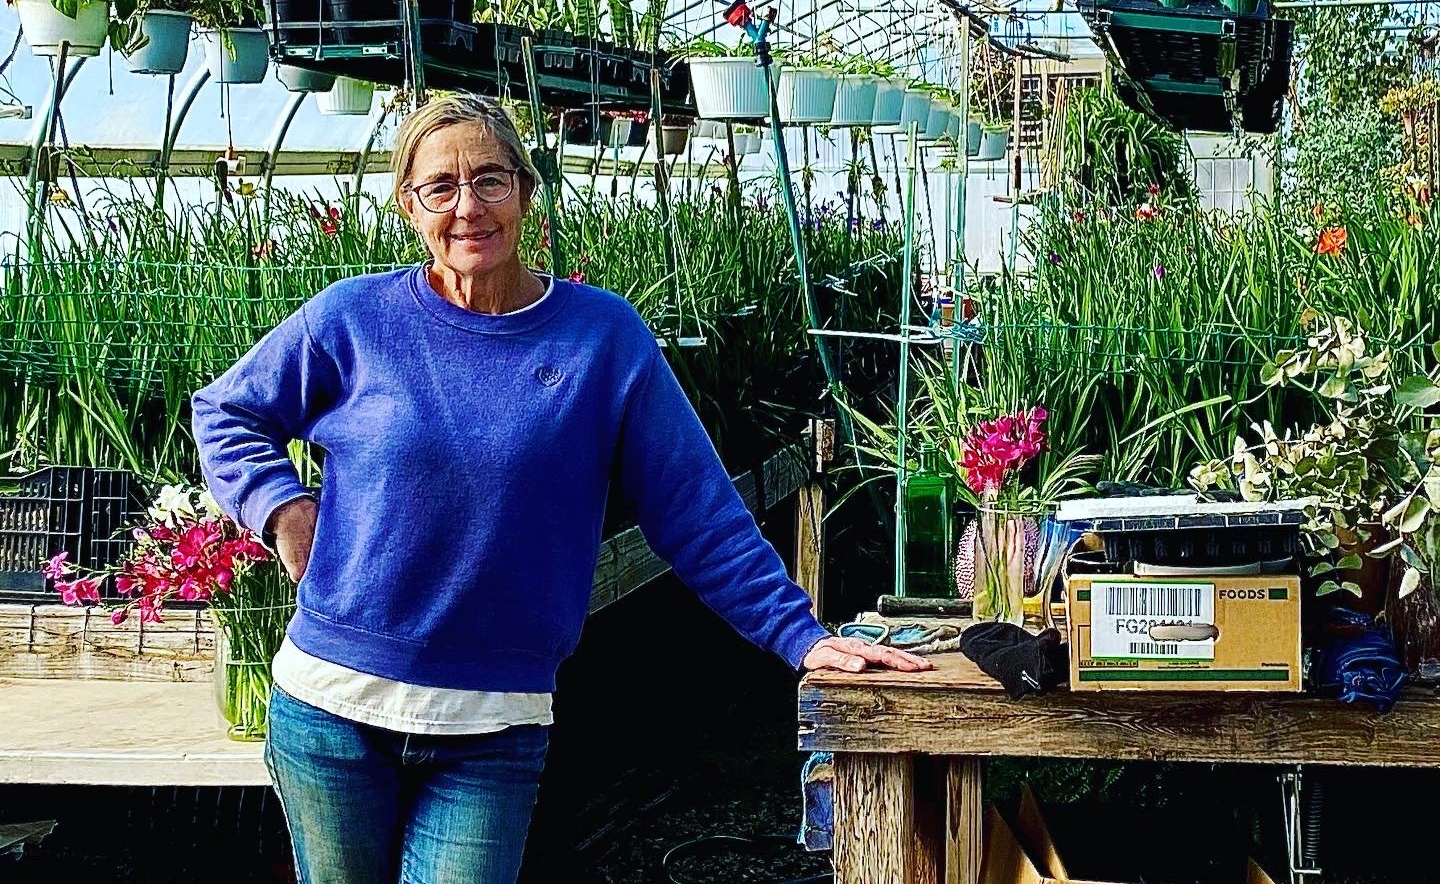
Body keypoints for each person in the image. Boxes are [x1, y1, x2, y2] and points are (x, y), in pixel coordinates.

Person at [193, 93, 928, 884]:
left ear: (527, 190)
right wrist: (281, 505)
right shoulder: (354, 318)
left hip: (493, 725)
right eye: (440, 187)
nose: (468, 207)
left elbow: (695, 509)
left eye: (491, 180)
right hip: (331, 712)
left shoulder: (600, 337)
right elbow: (227, 411)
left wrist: (802, 637)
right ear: (409, 206)